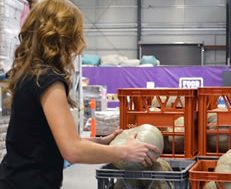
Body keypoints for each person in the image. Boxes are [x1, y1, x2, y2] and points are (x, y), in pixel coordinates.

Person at [0, 0, 160, 188]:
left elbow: (44, 139)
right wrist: (123, 152)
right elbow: (72, 150)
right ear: (65, 37)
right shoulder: (48, 81)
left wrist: (101, 142)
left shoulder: (31, 74)